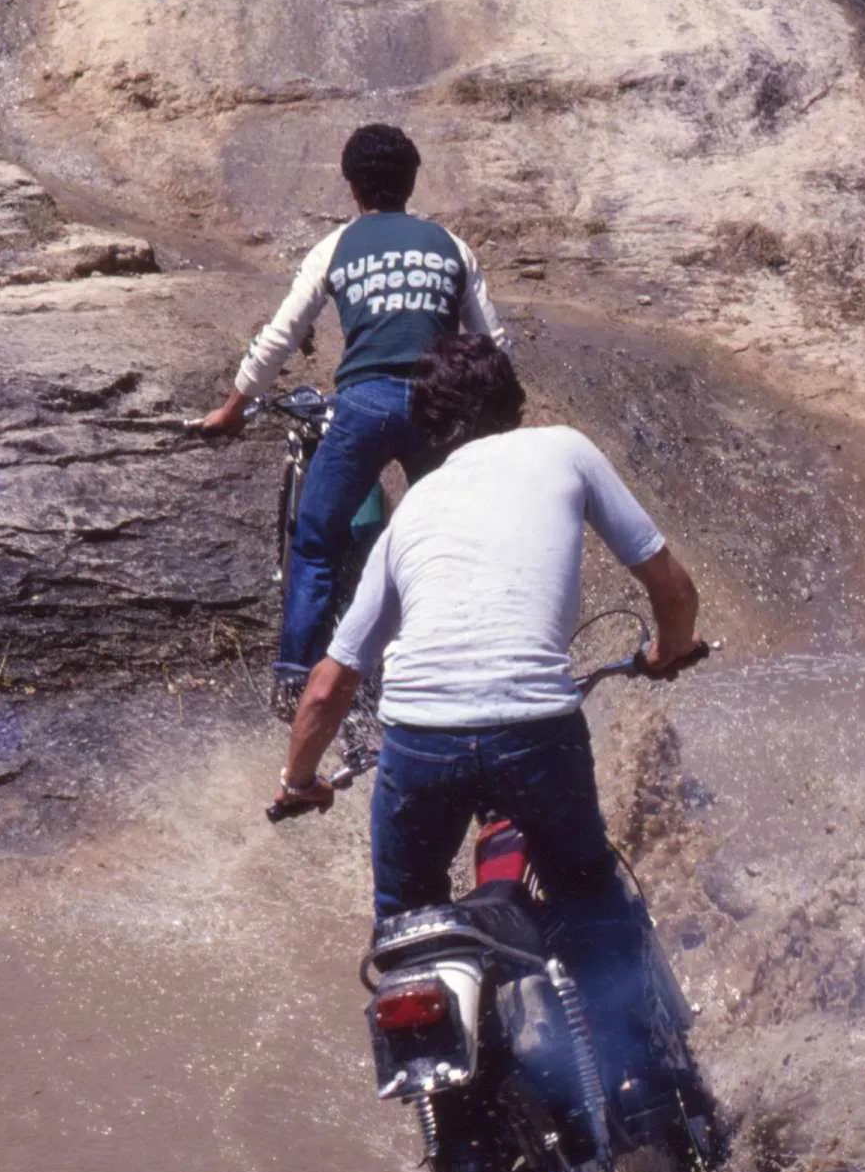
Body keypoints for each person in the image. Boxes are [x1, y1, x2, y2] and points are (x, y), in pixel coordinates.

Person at [271, 334, 706, 1109]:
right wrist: (668, 649)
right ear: (515, 402)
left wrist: (300, 780)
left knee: (407, 930)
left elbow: (328, 686)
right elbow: (672, 588)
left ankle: (463, 1103)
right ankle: (646, 1089)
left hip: (419, 746)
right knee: (589, 900)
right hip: (534, 733)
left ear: (430, 427)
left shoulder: (416, 510)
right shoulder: (565, 449)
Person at [201, 124, 505, 671]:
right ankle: (466, 666)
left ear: (352, 188)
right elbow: (494, 345)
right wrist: (497, 428)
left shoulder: (336, 247)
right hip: (440, 407)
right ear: (412, 182)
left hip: (364, 407)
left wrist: (233, 409)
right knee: (453, 544)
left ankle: (295, 684)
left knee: (317, 546)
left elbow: (281, 335)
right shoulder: (451, 246)